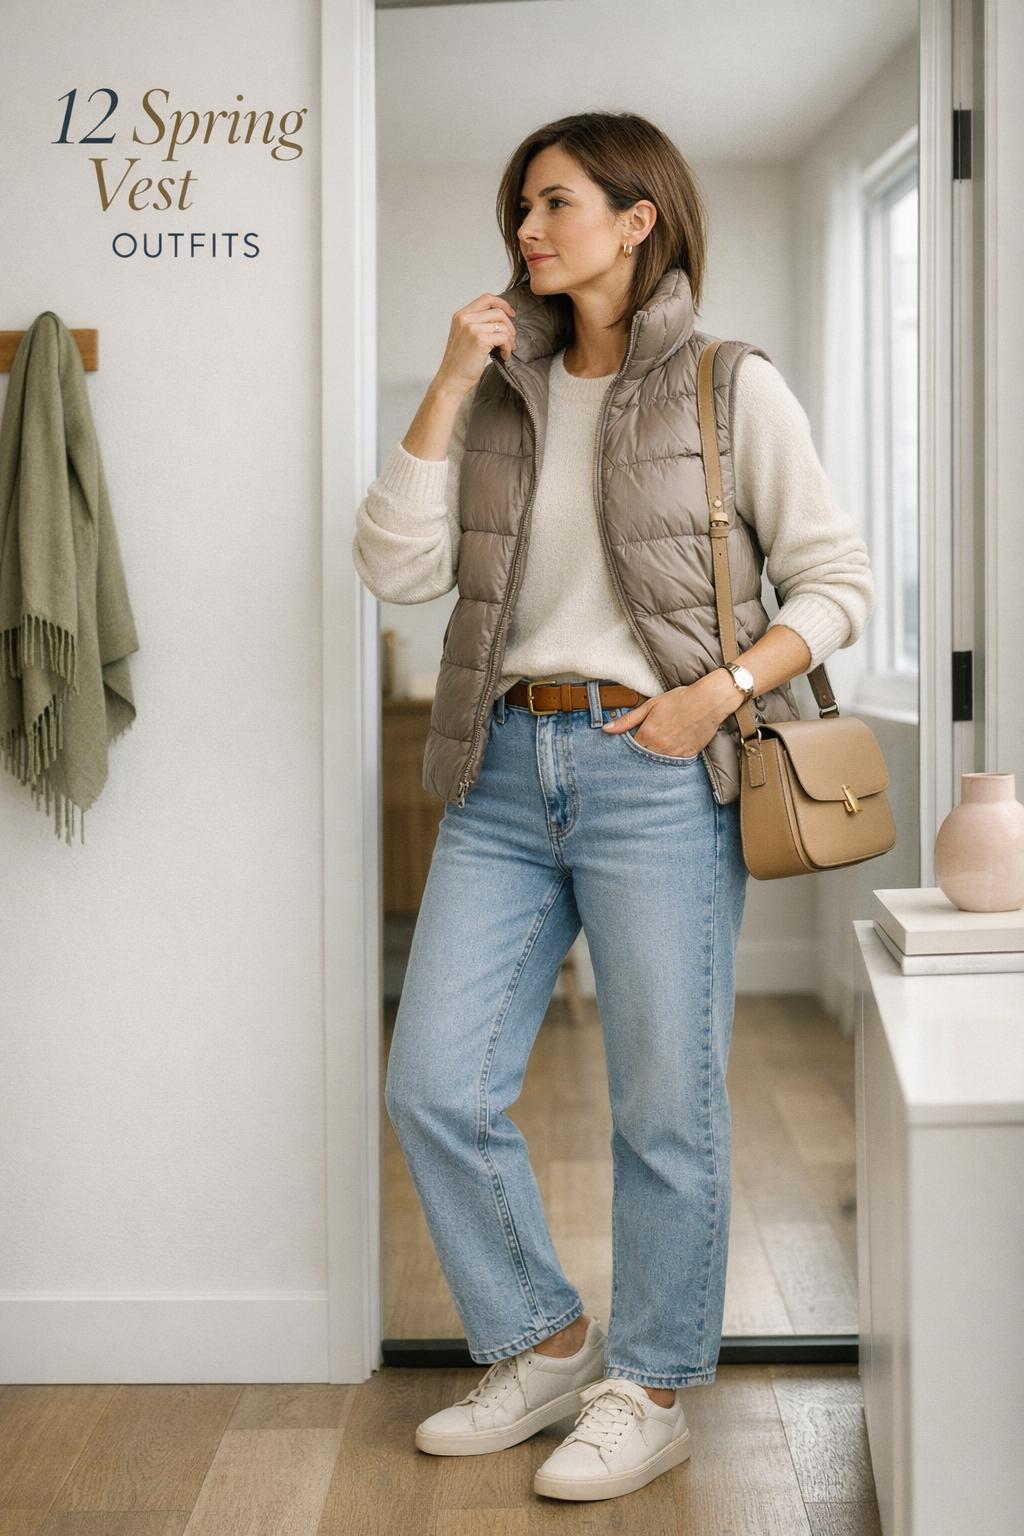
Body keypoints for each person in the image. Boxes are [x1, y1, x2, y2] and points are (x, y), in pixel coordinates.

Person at [352, 110, 875, 1504]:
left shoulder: (725, 385)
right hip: (505, 770)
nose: (528, 228)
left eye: (558, 201)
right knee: (431, 1083)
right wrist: (452, 379)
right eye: (520, 205)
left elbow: (839, 583)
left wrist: (721, 694)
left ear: (639, 218)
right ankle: (544, 1338)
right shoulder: (504, 390)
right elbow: (394, 568)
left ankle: (650, 1388)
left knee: (664, 1108)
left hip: (661, 770)